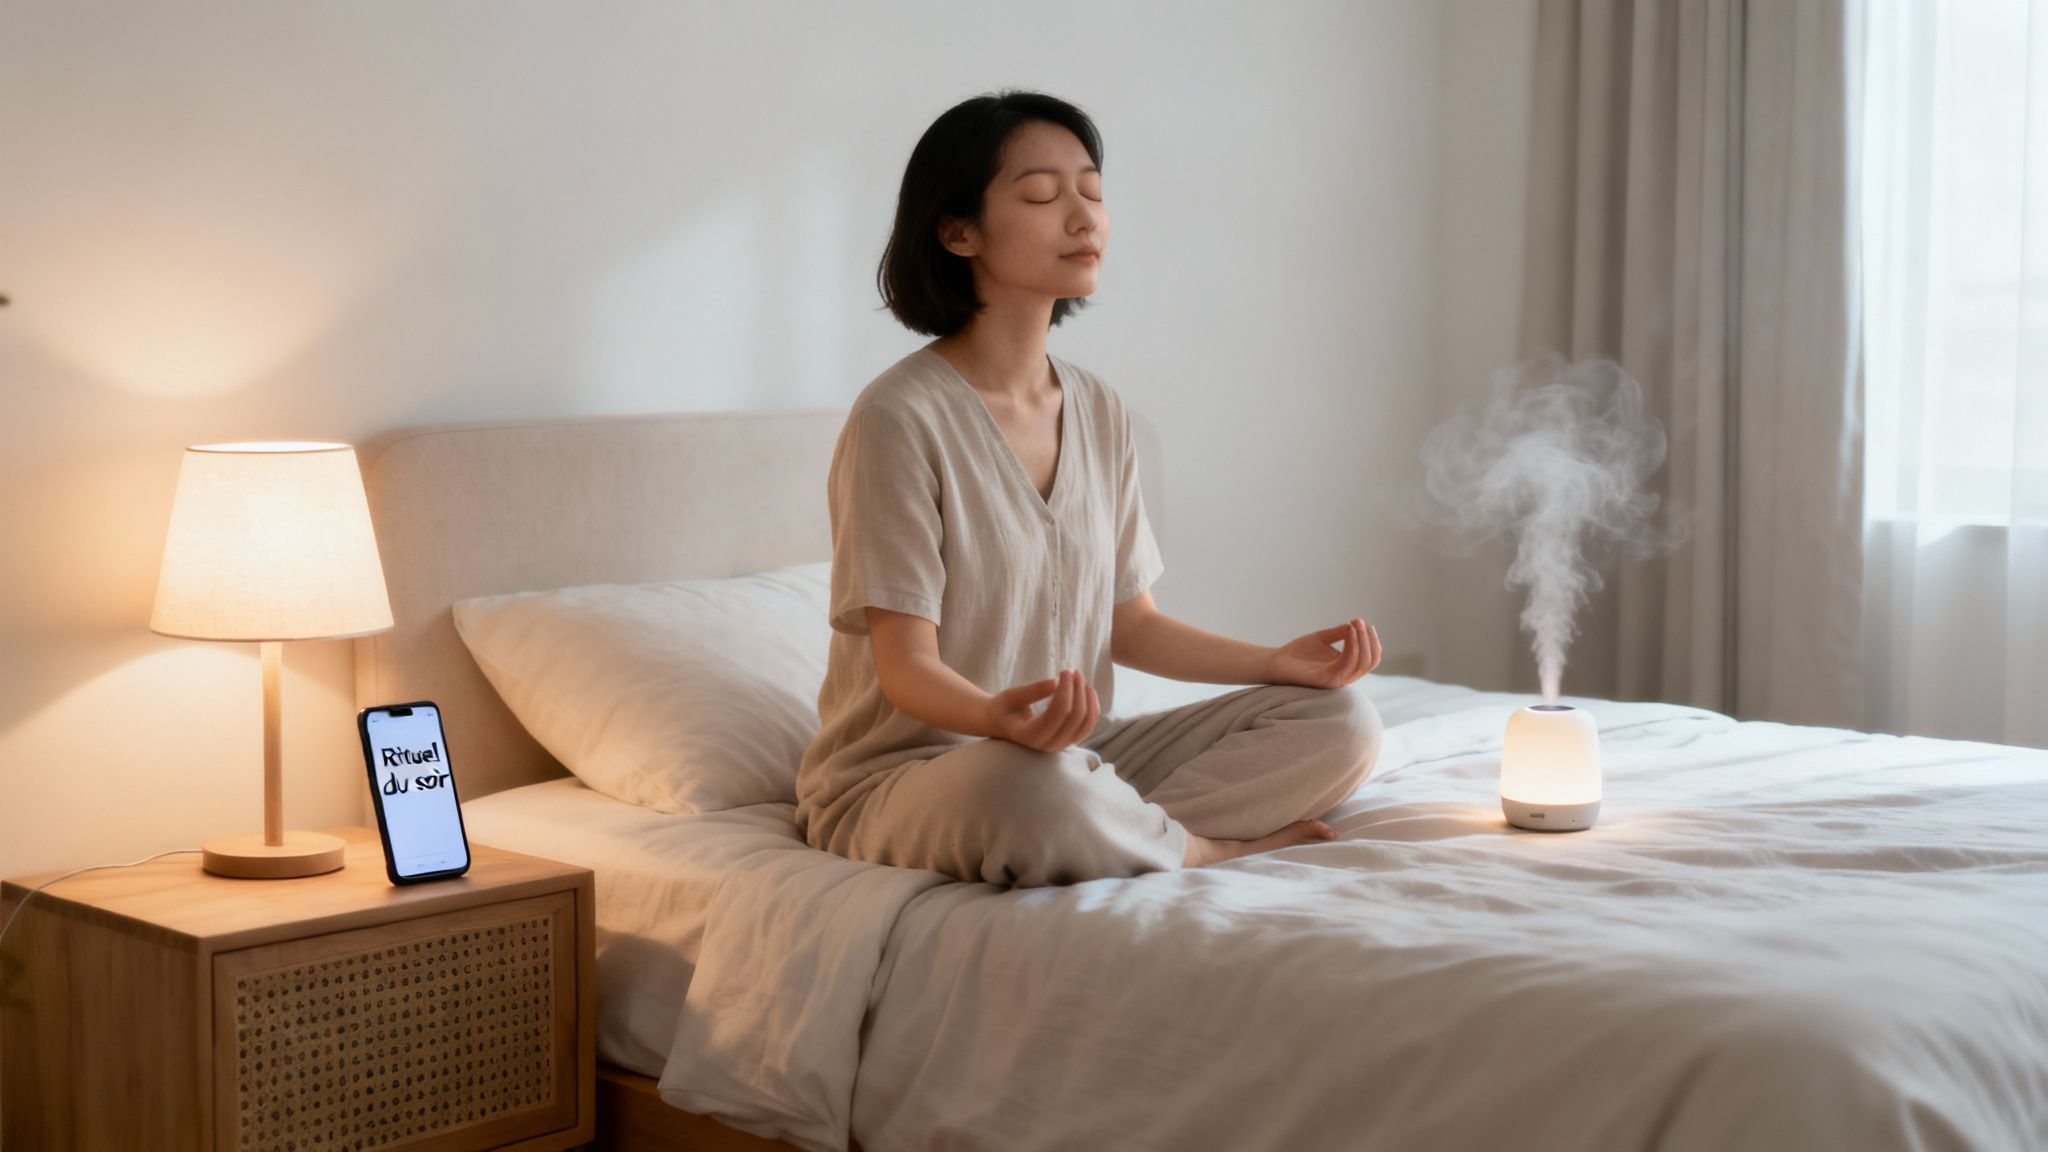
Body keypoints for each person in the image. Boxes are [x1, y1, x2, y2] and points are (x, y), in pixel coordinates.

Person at [794, 89, 1385, 888]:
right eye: (1042, 194)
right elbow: (905, 670)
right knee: (1029, 784)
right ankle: (1198, 847)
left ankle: (1117, 829)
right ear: (958, 231)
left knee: (1341, 719)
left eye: (1093, 193)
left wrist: (1276, 662)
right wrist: (995, 718)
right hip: (922, 775)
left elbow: (1130, 625)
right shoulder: (899, 418)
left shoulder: (1101, 410)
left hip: (1074, 755)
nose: (1084, 218)